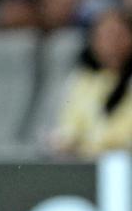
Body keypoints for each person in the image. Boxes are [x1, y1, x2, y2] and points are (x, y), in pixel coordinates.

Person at [52, 9, 132, 159]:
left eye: (118, 35)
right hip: (84, 166)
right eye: (103, 36)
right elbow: (68, 129)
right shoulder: (83, 80)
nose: (111, 43)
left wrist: (88, 144)